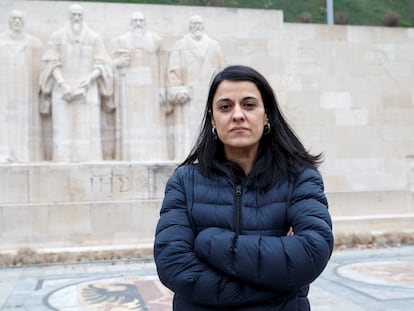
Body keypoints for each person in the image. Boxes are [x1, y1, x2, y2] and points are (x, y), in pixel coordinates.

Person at [154, 65, 334, 310]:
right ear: (212, 119)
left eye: (249, 105)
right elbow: (174, 266)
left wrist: (208, 241)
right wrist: (279, 286)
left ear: (266, 114)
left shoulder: (300, 178)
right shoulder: (184, 182)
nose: (237, 114)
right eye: (225, 107)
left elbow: (311, 253)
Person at [39, 4, 114, 162]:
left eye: (79, 15)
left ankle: (89, 159)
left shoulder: (94, 38)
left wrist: (88, 81)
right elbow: (51, 62)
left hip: (88, 88)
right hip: (62, 88)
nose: (76, 18)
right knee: (62, 129)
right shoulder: (56, 36)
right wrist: (62, 84)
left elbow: (102, 64)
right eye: (73, 14)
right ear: (69, 16)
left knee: (89, 130)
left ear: (83, 16)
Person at [165, 14, 225, 160]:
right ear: (190, 26)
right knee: (188, 131)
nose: (197, 26)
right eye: (194, 24)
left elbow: (221, 70)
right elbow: (173, 70)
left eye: (199, 23)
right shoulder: (181, 44)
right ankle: (188, 157)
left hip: (210, 94)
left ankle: (212, 156)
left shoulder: (214, 45)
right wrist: (179, 89)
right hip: (189, 95)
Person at [110, 11, 166, 161]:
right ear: (130, 23)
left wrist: (162, 89)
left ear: (145, 23)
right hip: (128, 90)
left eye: (141, 20)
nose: (138, 23)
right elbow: (112, 65)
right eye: (135, 20)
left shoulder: (155, 41)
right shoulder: (121, 41)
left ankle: (153, 155)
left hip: (151, 90)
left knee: (151, 123)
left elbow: (162, 66)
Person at [0, 10, 43, 163]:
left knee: (24, 122)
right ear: (9, 21)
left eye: (19, 18)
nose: (17, 21)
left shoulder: (33, 43)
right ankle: (5, 154)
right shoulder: (1, 41)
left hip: (25, 91)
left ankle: (23, 155)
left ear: (23, 22)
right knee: (5, 121)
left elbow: (40, 68)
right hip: (5, 90)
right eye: (14, 18)